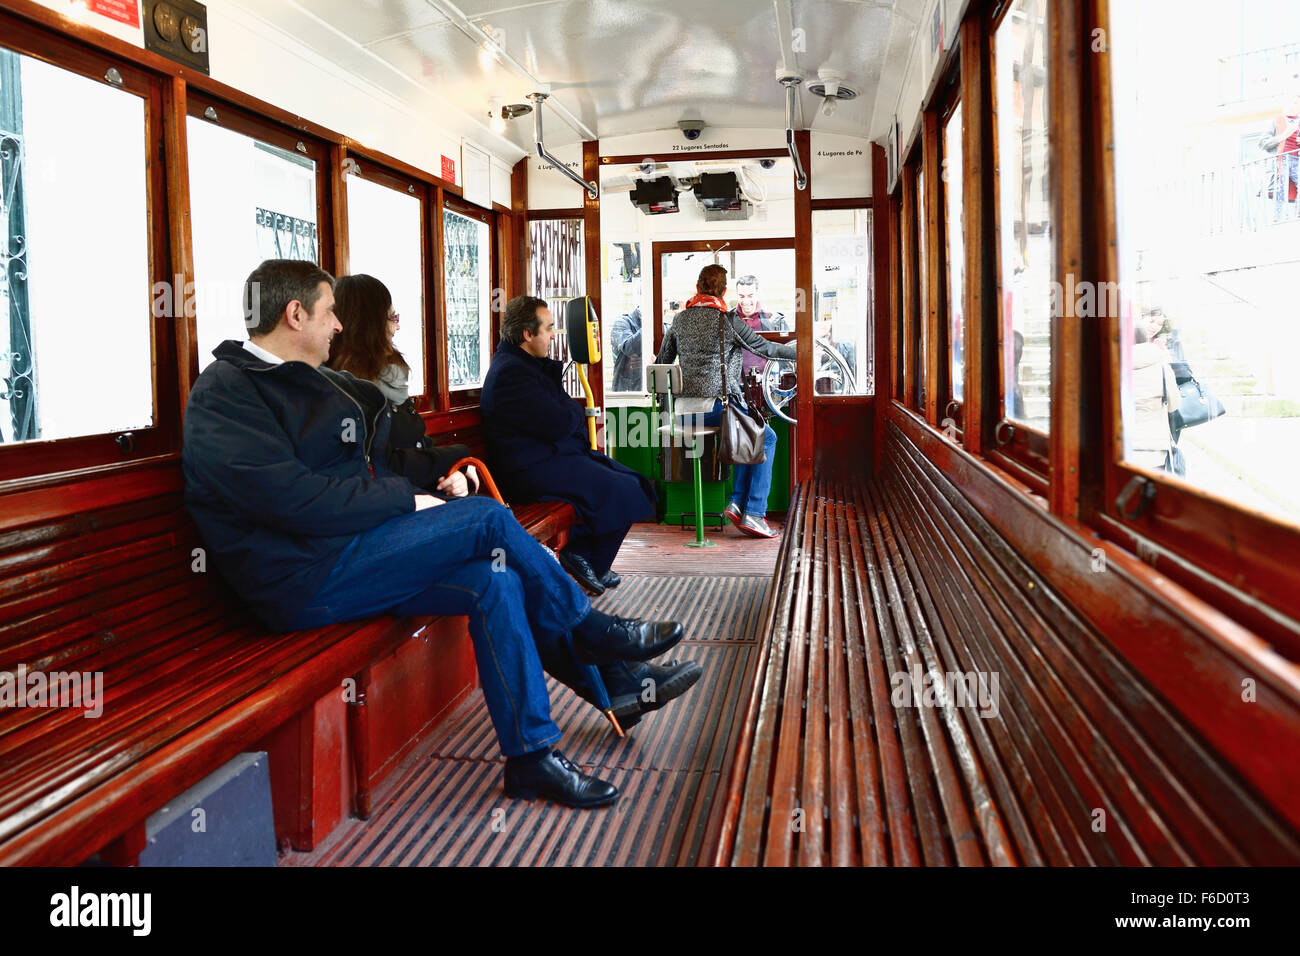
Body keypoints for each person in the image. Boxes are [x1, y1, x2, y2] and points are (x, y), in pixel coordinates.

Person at [182, 259, 691, 808]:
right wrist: (409, 499)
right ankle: (591, 629)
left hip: (347, 552)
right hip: (298, 577)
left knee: (495, 582)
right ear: (295, 314)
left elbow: (371, 462)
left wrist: (435, 474)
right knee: (487, 519)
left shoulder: (309, 382)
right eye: (330, 314)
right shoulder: (226, 395)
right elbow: (292, 500)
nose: (338, 327)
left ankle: (532, 757)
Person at [482, 296, 663, 600]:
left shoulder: (526, 367)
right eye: (549, 328)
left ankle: (593, 560)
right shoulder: (512, 374)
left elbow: (561, 416)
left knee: (637, 483)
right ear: (528, 334)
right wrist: (574, 415)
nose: (553, 335)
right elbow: (558, 421)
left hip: (551, 458)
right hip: (528, 471)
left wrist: (571, 415)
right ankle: (581, 555)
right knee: (621, 489)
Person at [655, 264, 797, 539]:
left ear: (697, 289)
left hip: (684, 413)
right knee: (764, 437)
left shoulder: (679, 321)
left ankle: (735, 503)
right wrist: (800, 352)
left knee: (747, 430)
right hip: (718, 408)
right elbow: (764, 348)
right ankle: (754, 513)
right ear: (724, 291)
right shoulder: (728, 321)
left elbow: (662, 363)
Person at [327, 273, 476, 500]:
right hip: (394, 505)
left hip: (424, 492)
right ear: (371, 324)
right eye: (393, 317)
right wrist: (460, 455)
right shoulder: (348, 392)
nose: (397, 327)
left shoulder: (389, 376)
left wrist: (455, 476)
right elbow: (386, 464)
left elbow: (419, 443)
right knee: (491, 516)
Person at [1129, 307, 1175, 473]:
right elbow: (1174, 404)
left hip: (1123, 437)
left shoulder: (1114, 364)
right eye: (1152, 321)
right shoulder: (1162, 360)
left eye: (1159, 323)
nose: (1155, 326)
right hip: (1154, 438)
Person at [727, 274, 788, 376]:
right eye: (741, 296)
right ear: (736, 294)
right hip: (736, 387)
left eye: (750, 296)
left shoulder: (775, 322)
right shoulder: (727, 321)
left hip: (768, 385)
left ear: (758, 294)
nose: (746, 301)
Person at [1271, 94, 1300, 223]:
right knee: (1281, 188)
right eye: (1292, 102)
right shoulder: (1278, 120)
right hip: (1282, 158)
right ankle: (1277, 218)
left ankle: (1297, 214)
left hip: (1296, 159)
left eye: (1297, 103)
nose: (1295, 105)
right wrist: (1284, 135)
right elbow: (1264, 143)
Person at [610, 306, 643, 392]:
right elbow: (628, 347)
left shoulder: (662, 324)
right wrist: (650, 320)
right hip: (627, 393)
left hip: (654, 391)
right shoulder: (622, 322)